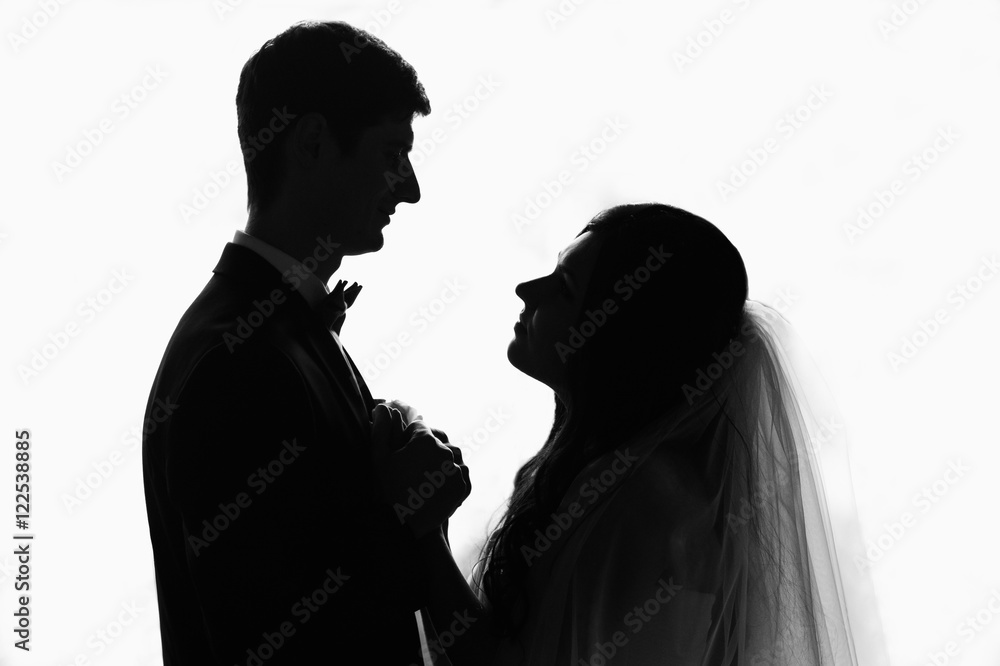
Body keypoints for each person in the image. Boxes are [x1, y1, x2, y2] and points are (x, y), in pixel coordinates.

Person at [407, 203, 889, 665]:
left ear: (620, 338)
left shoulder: (646, 499)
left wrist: (424, 528)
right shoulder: (604, 475)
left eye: (565, 287)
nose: (526, 289)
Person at [141, 21, 469, 665]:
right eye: (391, 152)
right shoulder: (238, 362)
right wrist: (415, 517)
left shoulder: (273, 330)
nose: (410, 186)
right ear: (314, 142)